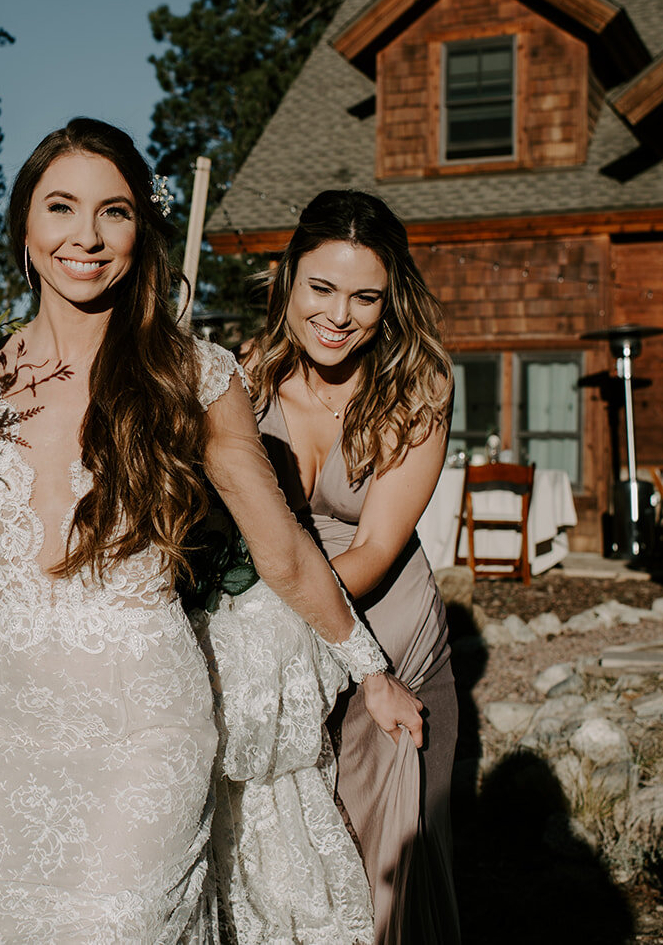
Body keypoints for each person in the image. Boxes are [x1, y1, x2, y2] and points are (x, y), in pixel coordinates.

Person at [0, 119, 421, 943]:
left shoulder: (192, 373)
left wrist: (370, 667)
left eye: (115, 212)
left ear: (141, 231)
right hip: (13, 734)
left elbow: (282, 549)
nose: (88, 236)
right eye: (62, 207)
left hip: (147, 730)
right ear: (25, 229)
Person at [244, 190, 460, 945]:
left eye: (365, 297)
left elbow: (372, 550)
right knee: (286, 875)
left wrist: (277, 618)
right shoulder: (244, 380)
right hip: (269, 647)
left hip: (386, 639)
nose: (340, 315)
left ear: (389, 299)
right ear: (287, 279)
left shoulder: (420, 386)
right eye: (322, 289)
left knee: (386, 879)